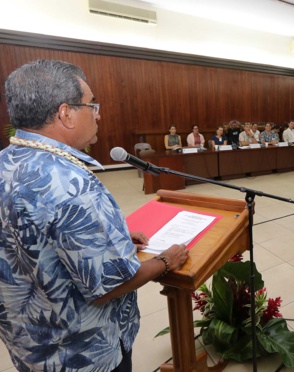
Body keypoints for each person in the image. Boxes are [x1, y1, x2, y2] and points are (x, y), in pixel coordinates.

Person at [0, 60, 189, 371]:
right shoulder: (72, 184)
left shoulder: (6, 162)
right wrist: (166, 260)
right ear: (66, 113)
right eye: (91, 104)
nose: (98, 113)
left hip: (30, 347)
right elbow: (108, 287)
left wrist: (107, 240)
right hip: (83, 353)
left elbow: (27, 239)